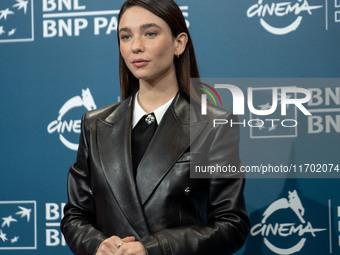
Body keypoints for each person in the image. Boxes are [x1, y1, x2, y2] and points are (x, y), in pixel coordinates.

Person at [60, 0, 250, 254]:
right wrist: (97, 245)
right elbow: (75, 215)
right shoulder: (95, 125)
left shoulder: (213, 125)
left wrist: (154, 248)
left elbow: (231, 225)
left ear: (179, 43)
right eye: (125, 36)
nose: (136, 46)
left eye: (150, 33)